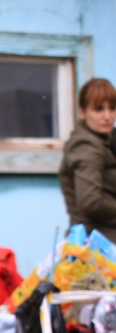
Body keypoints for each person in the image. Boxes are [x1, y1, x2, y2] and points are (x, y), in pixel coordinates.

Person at [60, 78, 116, 243]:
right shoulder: (86, 146)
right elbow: (90, 203)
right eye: (98, 109)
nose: (107, 116)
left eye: (112, 108)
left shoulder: (106, 140)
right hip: (97, 248)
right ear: (83, 112)